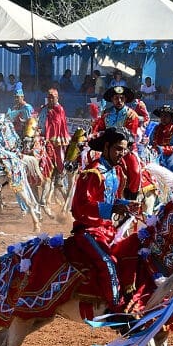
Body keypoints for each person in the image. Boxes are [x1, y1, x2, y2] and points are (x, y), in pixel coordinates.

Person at [66, 126, 137, 311]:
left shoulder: (116, 171)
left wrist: (128, 204)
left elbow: (111, 199)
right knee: (109, 263)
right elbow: (80, 207)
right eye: (118, 149)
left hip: (108, 229)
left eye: (124, 149)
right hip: (88, 230)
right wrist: (113, 208)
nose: (122, 153)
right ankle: (117, 309)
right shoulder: (93, 172)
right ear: (106, 147)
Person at [37, 88, 71, 168]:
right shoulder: (44, 108)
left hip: (54, 140)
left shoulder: (59, 109)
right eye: (49, 97)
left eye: (52, 97)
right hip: (41, 136)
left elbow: (56, 125)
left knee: (57, 159)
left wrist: (48, 137)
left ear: (57, 98)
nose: (50, 99)